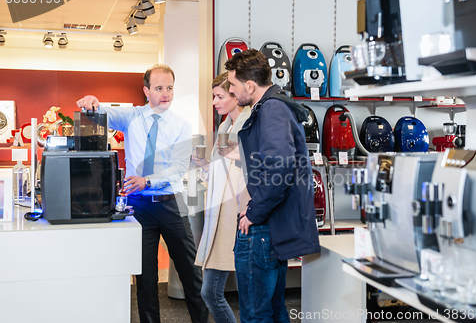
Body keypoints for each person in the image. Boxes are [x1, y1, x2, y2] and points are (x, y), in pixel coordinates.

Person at [76, 64, 209, 323]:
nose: (165, 94)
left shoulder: (181, 126)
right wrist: (91, 103)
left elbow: (178, 168)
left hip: (172, 205)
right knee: (145, 280)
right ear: (146, 90)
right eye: (159, 88)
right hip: (139, 209)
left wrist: (147, 181)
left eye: (169, 88)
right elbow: (102, 113)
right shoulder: (132, 117)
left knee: (191, 275)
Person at [223, 49, 321, 323]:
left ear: (250, 86)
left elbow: (278, 167)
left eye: (232, 85)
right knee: (274, 309)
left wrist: (254, 213)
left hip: (264, 228)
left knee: (257, 314)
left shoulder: (272, 110)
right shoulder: (276, 106)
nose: (231, 91)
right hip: (272, 227)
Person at [192, 72, 251, 323]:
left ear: (236, 96)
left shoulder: (247, 127)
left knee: (213, 292)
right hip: (221, 218)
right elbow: (224, 172)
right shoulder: (226, 127)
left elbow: (248, 174)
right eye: (213, 96)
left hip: (238, 218)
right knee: (213, 292)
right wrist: (205, 164)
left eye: (219, 96)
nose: (214, 102)